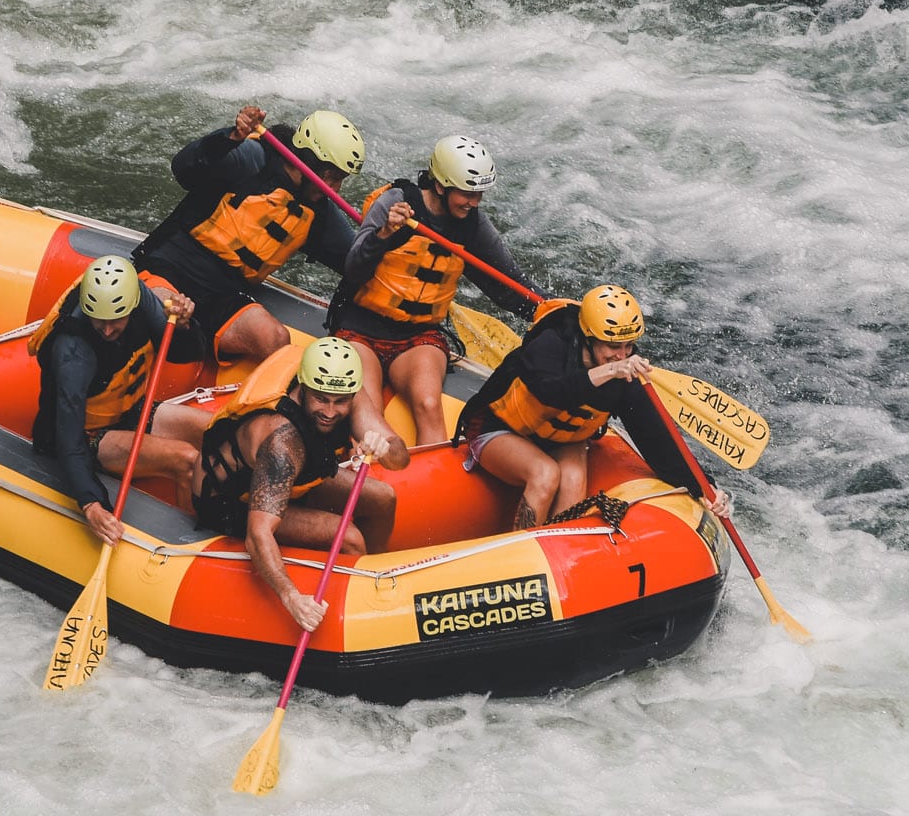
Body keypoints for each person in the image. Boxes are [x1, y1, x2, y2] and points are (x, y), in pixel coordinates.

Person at [458, 284, 731, 531]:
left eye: (628, 346)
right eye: (612, 346)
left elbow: (658, 442)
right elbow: (550, 392)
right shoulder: (550, 344)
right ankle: (520, 552)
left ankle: (559, 555)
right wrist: (609, 371)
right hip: (498, 429)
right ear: (589, 337)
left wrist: (705, 488)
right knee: (545, 473)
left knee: (574, 479)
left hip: (559, 441)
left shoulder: (625, 377)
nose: (622, 355)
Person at [330, 134, 536, 448]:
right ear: (440, 186)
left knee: (428, 404)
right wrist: (384, 234)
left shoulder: (473, 226)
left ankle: (426, 479)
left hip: (417, 337)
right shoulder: (396, 203)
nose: (474, 202)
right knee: (367, 412)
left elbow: (508, 287)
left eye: (479, 194)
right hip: (361, 327)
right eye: (467, 193)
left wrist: (557, 314)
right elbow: (354, 267)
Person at [191, 338, 409, 631]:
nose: (330, 412)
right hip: (233, 500)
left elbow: (401, 459)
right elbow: (258, 535)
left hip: (296, 481)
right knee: (349, 538)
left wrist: (386, 447)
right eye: (321, 399)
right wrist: (292, 597)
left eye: (340, 401)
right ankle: (354, 609)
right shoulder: (281, 442)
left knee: (384, 497)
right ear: (303, 389)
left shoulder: (346, 394)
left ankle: (376, 576)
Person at [133, 104, 363, 364]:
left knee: (275, 339)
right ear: (309, 160)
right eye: (331, 175)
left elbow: (358, 263)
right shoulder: (253, 158)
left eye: (341, 178)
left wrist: (391, 235)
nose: (335, 188)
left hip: (222, 296)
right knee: (168, 316)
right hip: (168, 270)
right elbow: (184, 167)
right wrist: (230, 138)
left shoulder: (320, 212)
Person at [31, 256, 213, 546]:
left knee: (220, 431)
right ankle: (186, 544)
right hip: (90, 435)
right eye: (98, 321)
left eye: (115, 320)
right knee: (187, 459)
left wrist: (185, 326)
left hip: (129, 410)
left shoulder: (141, 301)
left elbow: (184, 353)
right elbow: (67, 439)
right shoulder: (73, 351)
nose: (105, 330)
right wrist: (91, 503)